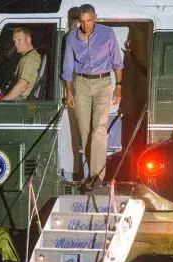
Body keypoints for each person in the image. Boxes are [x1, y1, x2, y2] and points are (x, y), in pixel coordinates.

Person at [62, 4, 124, 188]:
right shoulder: (72, 38)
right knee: (86, 132)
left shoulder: (107, 33)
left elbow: (117, 62)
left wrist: (118, 86)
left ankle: (96, 176)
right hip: (81, 84)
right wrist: (69, 91)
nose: (86, 24)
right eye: (82, 21)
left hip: (103, 83)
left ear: (95, 18)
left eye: (89, 20)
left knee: (99, 129)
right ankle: (93, 174)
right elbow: (67, 67)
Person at [0, 27, 41, 101]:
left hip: (20, 102)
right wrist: (0, 94)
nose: (16, 44)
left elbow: (21, 86)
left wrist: (1, 101)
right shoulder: (34, 56)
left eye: (19, 40)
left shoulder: (28, 59)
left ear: (28, 39)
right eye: (14, 41)